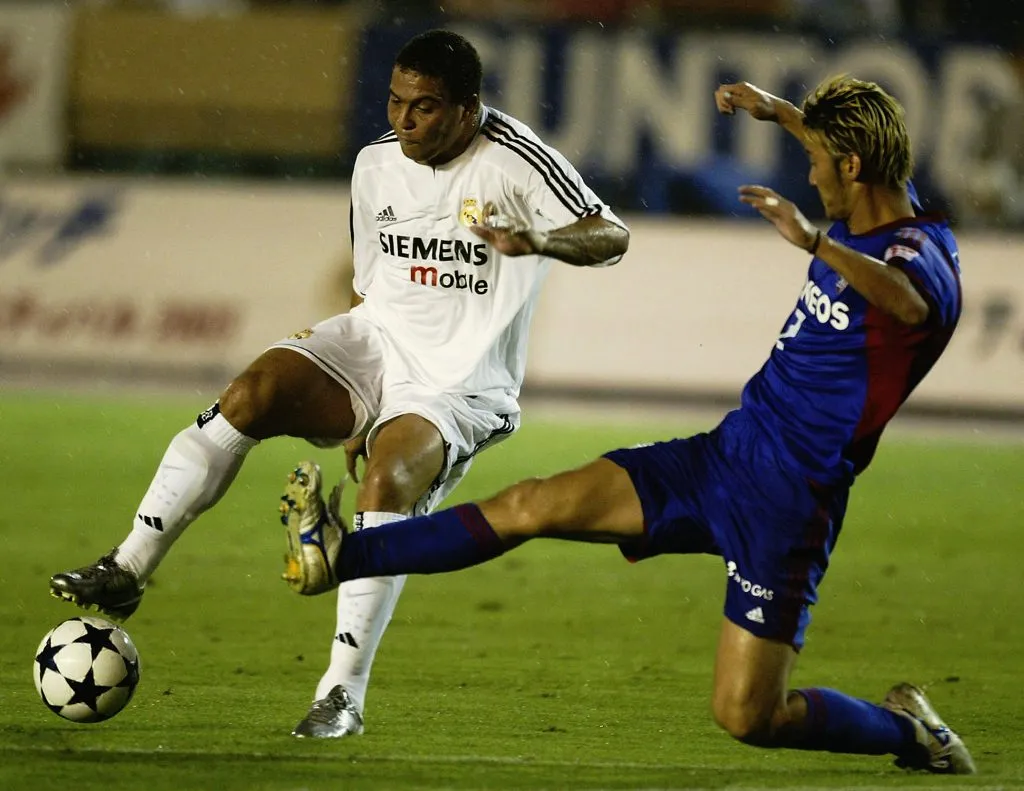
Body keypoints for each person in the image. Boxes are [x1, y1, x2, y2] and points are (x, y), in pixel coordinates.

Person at [282, 75, 975, 774]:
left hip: (789, 506)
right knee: (531, 503)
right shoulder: (865, 198)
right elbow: (839, 160)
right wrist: (779, 113)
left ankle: (911, 734)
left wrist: (814, 240)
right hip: (723, 456)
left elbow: (911, 305)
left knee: (750, 713)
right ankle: (343, 554)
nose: (811, 172)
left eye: (820, 163)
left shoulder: (923, 254)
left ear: (852, 169)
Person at [49, 29, 630, 738]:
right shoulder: (376, 164)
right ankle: (129, 566)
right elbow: (371, 287)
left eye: (425, 107)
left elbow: (612, 236)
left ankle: (341, 694)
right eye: (394, 101)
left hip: (459, 383)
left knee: (383, 487)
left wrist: (541, 240)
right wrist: (360, 408)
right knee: (249, 396)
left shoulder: (516, 160)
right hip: (376, 339)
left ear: (468, 108)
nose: (403, 121)